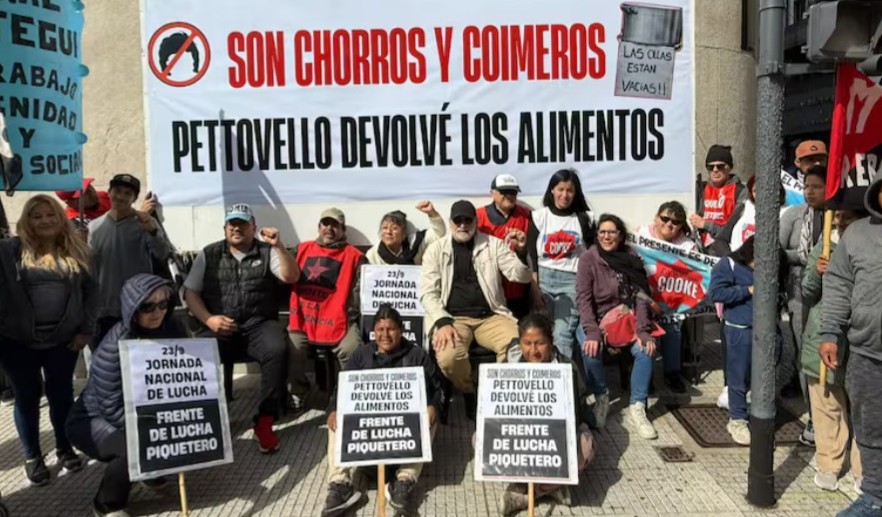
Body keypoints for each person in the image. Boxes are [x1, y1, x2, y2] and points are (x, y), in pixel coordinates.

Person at [184, 204, 299, 453]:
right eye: (232, 224)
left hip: (259, 323)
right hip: (220, 325)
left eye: (243, 224)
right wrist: (209, 320)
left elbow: (291, 277)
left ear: (253, 227)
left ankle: (265, 420)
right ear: (225, 228)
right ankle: (208, 420)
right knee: (197, 355)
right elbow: (190, 292)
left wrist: (280, 246)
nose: (237, 228)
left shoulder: (268, 251)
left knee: (277, 350)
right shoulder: (209, 253)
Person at [67, 274, 182, 517]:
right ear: (132, 308)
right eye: (147, 306)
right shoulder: (114, 345)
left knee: (179, 431)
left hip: (139, 410)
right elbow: (111, 406)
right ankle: (107, 503)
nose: (157, 312)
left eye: (163, 304)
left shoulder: (171, 330)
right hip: (93, 419)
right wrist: (156, 429)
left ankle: (150, 472)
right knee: (136, 447)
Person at [0, 195, 95, 485]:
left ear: (60, 218)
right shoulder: (9, 250)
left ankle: (64, 448)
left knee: (62, 396)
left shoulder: (78, 249)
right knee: (27, 398)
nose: (44, 220)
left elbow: (92, 293)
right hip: (16, 341)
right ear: (26, 220)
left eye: (50, 215)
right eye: (37, 215)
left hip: (63, 340)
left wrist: (86, 330)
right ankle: (32, 455)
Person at [322, 305, 443, 517]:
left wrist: (434, 406)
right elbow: (341, 388)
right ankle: (339, 484)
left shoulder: (417, 355)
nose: (385, 335)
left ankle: (403, 482)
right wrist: (332, 409)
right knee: (336, 417)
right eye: (380, 330)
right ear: (373, 332)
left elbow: (436, 390)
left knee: (428, 416)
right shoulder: (361, 355)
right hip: (366, 444)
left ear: (401, 330)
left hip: (403, 443)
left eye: (391, 329)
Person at [420, 200, 532, 420]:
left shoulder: (494, 244)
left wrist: (520, 252)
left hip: (490, 316)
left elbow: (521, 276)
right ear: (451, 223)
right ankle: (470, 390)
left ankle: (498, 396)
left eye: (467, 220)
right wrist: (442, 323)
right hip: (452, 319)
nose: (462, 225)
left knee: (518, 345)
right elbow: (428, 293)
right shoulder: (435, 249)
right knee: (449, 355)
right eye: (457, 220)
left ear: (475, 222)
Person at [820, 174, 882, 517]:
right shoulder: (857, 234)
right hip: (866, 355)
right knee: (870, 428)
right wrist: (830, 333)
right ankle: (875, 495)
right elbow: (839, 287)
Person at [499, 313, 596, 516]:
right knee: (479, 439)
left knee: (586, 447)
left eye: (540, 343)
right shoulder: (508, 366)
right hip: (519, 436)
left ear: (551, 343)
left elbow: (577, 415)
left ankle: (526, 495)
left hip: (557, 437)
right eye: (527, 343)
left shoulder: (567, 368)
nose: (533, 351)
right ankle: (554, 488)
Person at [575, 214, 658, 438]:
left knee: (646, 349)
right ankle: (601, 397)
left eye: (611, 232)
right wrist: (592, 332)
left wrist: (643, 330)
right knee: (589, 347)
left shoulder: (631, 259)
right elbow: (583, 300)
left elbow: (641, 296)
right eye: (602, 232)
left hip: (627, 319)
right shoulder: (588, 260)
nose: (606, 236)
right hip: (596, 319)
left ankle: (638, 406)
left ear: (620, 235)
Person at [802, 207, 866, 491]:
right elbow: (806, 291)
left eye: (848, 217)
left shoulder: (871, 243)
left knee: (865, 407)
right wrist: (818, 272)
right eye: (838, 216)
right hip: (824, 335)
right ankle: (829, 462)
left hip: (862, 338)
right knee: (827, 402)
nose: (841, 222)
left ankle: (865, 468)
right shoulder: (826, 244)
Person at [288, 207, 366, 409]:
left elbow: (359, 295)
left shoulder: (355, 256)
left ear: (343, 228)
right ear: (319, 227)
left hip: (340, 319)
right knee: (289, 347)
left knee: (352, 350)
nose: (329, 228)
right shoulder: (301, 249)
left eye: (335, 225)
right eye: (325, 223)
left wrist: (346, 317)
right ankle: (299, 390)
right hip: (303, 319)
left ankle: (346, 395)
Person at [89, 174, 170, 343]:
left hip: (138, 308)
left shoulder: (146, 223)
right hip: (104, 311)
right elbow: (89, 268)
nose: (121, 197)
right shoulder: (94, 227)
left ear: (134, 198)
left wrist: (151, 230)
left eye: (128, 193)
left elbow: (162, 254)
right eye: (117, 191)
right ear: (109, 192)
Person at [779, 164, 827, 446]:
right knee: (804, 354)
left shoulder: (840, 218)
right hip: (799, 294)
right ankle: (813, 413)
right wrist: (804, 257)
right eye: (807, 185)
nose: (810, 191)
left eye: (817, 186)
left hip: (829, 296)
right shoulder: (795, 215)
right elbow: (776, 250)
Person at [527, 168, 596, 360]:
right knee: (541, 334)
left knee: (562, 336)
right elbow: (531, 256)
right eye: (560, 189)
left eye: (569, 191)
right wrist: (535, 288)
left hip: (572, 282)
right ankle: (541, 378)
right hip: (543, 280)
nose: (564, 195)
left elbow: (593, 254)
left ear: (575, 193)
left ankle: (563, 382)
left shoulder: (584, 218)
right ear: (552, 190)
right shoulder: (539, 217)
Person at [637, 201, 697, 393]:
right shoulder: (641, 234)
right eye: (665, 218)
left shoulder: (688, 246)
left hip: (670, 303)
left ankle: (672, 372)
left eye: (675, 222)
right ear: (656, 217)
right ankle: (646, 376)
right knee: (644, 329)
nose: (669, 224)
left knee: (673, 329)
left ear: (681, 225)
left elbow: (696, 277)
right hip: (642, 299)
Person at [476, 174, 532, 318]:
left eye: (512, 192)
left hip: (518, 289)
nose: (509, 196)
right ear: (492, 193)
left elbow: (532, 253)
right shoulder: (479, 217)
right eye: (504, 192)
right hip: (489, 291)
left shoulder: (526, 216)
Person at [690, 145, 748, 247]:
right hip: (701, 247)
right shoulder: (702, 189)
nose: (715, 170)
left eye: (720, 166)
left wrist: (705, 224)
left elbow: (735, 229)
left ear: (729, 167)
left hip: (726, 247)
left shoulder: (740, 191)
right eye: (710, 167)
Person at [365, 201, 445, 265]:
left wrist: (432, 213)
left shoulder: (414, 244)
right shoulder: (373, 254)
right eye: (385, 228)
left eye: (394, 228)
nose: (388, 232)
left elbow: (438, 233)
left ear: (403, 233)